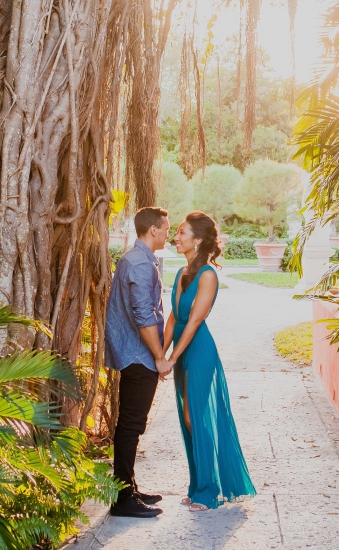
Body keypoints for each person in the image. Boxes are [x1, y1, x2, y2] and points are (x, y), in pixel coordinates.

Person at [164, 212, 256, 509]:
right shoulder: (181, 273)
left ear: (198, 240)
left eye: (181, 233)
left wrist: (173, 356)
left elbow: (193, 321)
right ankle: (197, 487)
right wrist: (159, 357)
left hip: (199, 350)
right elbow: (173, 318)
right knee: (186, 415)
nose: (175, 238)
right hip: (181, 350)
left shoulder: (208, 275)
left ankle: (209, 490)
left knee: (195, 416)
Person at [103, 206, 174, 518]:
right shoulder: (140, 263)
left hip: (136, 353)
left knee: (131, 424)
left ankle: (128, 487)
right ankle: (122, 499)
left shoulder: (140, 259)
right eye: (167, 229)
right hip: (138, 355)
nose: (169, 234)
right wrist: (159, 357)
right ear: (153, 230)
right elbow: (144, 315)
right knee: (131, 425)